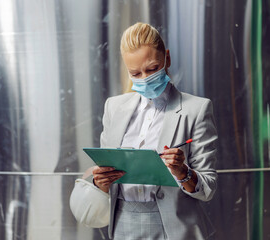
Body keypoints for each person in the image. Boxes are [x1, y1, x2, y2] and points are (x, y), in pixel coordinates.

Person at [92, 22, 218, 240]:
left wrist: (183, 172)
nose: (145, 78)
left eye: (152, 69)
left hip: (175, 230)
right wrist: (100, 183)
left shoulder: (196, 109)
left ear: (166, 59)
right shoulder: (113, 107)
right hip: (122, 226)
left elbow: (208, 188)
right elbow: (106, 171)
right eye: (135, 73)